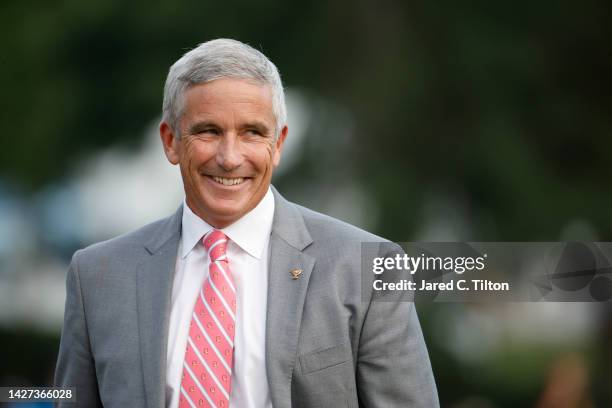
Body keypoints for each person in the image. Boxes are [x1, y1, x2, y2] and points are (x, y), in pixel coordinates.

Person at [54, 38, 439, 408]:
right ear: (170, 141)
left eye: (252, 133)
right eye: (209, 131)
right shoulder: (96, 277)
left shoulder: (365, 268)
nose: (229, 157)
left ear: (278, 145)